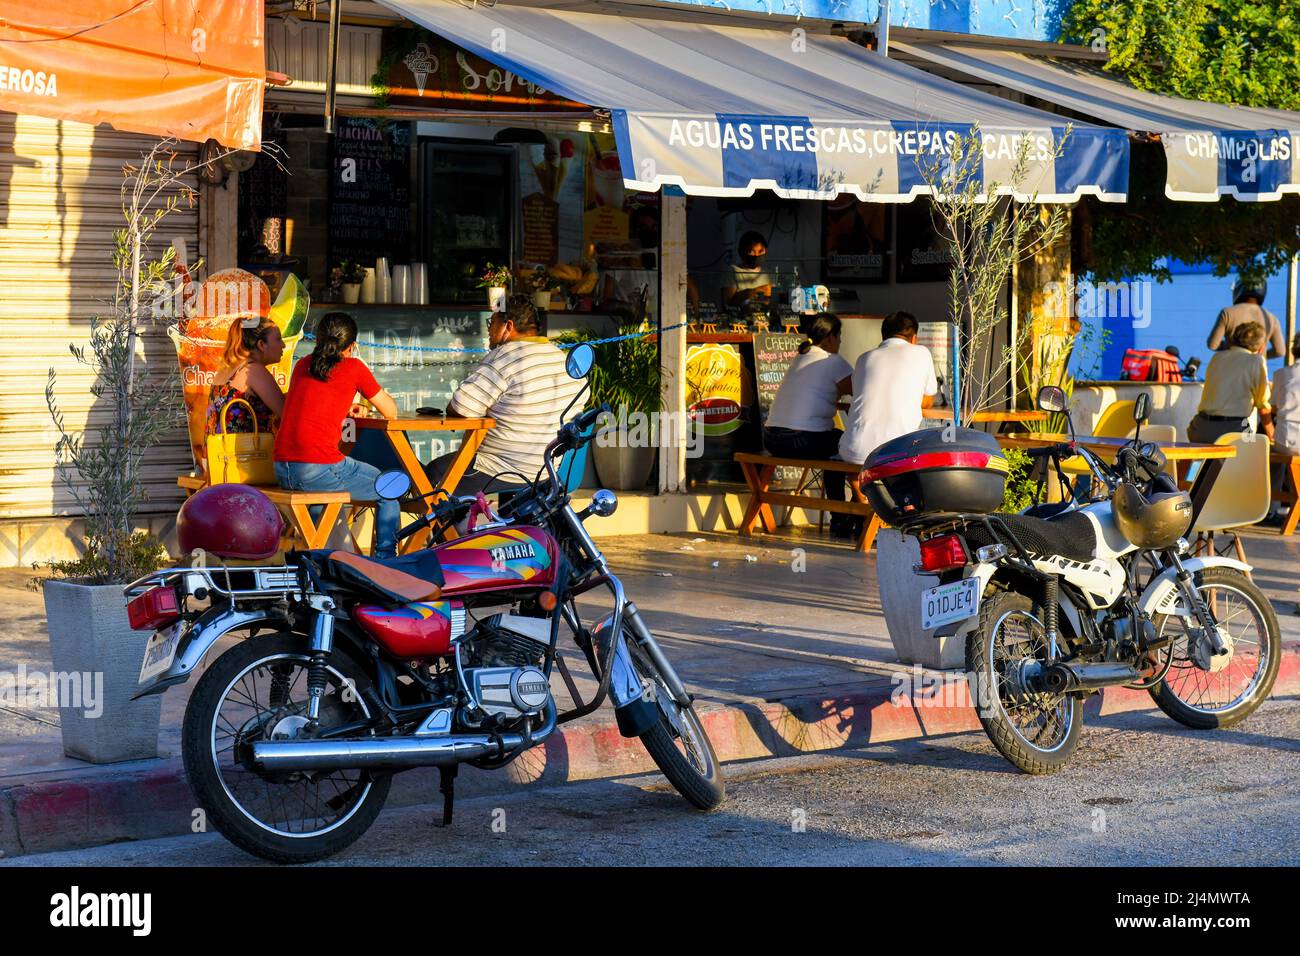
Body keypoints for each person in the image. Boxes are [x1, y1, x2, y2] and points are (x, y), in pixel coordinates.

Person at [274, 312, 402, 559]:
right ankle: (387, 561)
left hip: (282, 468)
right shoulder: (354, 367)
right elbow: (391, 411)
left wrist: (346, 406)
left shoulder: (303, 364)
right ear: (353, 346)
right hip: (315, 469)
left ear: (319, 339)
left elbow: (313, 404)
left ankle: (327, 562)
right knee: (390, 487)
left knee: (320, 505)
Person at [427, 295, 584, 495]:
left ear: (507, 326)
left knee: (435, 472)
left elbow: (461, 407)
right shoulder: (560, 358)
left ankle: (453, 528)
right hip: (545, 471)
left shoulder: (506, 356)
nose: (488, 330)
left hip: (499, 469)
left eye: (491, 323)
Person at [763, 315, 854, 535]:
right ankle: (841, 517)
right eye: (839, 336)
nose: (841, 342)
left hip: (773, 439)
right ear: (831, 337)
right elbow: (858, 391)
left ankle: (843, 515)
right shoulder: (832, 361)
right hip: (801, 440)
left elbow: (813, 393)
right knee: (843, 445)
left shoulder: (800, 358)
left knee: (835, 440)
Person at [842, 311, 938, 470]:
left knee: (857, 469)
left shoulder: (864, 358)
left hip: (853, 451)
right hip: (897, 451)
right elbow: (927, 401)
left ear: (883, 336)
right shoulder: (921, 352)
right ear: (914, 337)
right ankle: (868, 494)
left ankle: (860, 494)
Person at [1187, 321, 1272, 445]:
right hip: (1233, 430)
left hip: (1200, 427)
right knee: (1253, 454)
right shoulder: (1256, 361)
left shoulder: (1217, 357)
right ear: (1261, 347)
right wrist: (1272, 435)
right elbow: (1263, 405)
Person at [205, 316, 285, 436]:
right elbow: (288, 414)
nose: (283, 345)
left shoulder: (227, 369)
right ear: (262, 345)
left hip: (217, 453)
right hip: (246, 453)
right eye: (278, 339)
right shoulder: (253, 370)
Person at [1207, 279, 1285, 360]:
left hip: (1231, 366)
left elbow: (1212, 345)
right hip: (1257, 369)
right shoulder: (1271, 318)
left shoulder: (1227, 313)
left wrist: (1228, 347)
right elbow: (1280, 351)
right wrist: (1262, 356)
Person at [722, 231, 774, 307]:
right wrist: (752, 292)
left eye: (760, 251)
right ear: (741, 252)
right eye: (751, 251)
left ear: (766, 251)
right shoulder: (732, 272)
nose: (756, 255)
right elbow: (727, 303)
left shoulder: (768, 274)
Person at [1271, 335, 1300, 456]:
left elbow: (1273, 408)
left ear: (1294, 352)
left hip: (1285, 442)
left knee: (1275, 465)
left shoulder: (1280, 374)